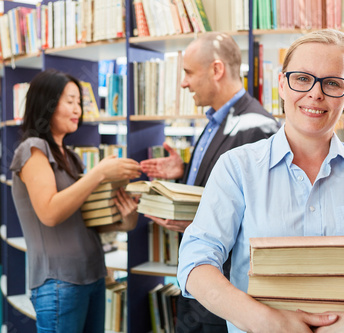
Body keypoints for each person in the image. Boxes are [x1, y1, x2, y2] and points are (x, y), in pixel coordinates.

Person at [177, 29, 344, 333]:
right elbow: (195, 261)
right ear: (282, 85)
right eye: (302, 78)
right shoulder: (237, 168)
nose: (315, 93)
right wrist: (265, 321)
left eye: (332, 83)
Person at [140, 32, 280, 331]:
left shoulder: (257, 126)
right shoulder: (217, 120)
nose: (183, 83)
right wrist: (184, 170)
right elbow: (224, 185)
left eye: (189, 73)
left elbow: (262, 212)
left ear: (217, 70)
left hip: (227, 285)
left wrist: (193, 217)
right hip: (203, 276)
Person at [10, 69, 142, 333]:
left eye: (79, 103)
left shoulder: (71, 158)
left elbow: (84, 222)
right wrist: (100, 173)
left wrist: (124, 219)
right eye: (69, 101)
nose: (77, 109)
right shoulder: (33, 149)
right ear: (45, 103)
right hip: (59, 282)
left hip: (93, 275)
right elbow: (49, 212)